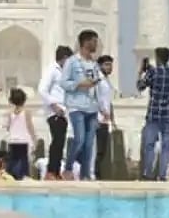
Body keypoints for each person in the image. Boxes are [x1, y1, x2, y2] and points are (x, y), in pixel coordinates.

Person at [60, 30, 102, 180]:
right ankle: (68, 168)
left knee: (89, 144)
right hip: (76, 106)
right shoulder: (72, 62)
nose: (96, 44)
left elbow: (97, 86)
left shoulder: (94, 63)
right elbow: (63, 83)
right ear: (86, 42)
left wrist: (101, 109)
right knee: (80, 139)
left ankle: (85, 175)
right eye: (94, 41)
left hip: (91, 107)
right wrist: (79, 84)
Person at [137, 46, 169, 181]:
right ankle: (162, 174)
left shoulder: (153, 72)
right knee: (166, 146)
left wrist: (141, 72)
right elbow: (161, 79)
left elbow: (140, 86)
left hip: (154, 114)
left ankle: (148, 173)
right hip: (167, 115)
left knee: (150, 145)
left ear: (158, 57)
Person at [36, 46, 73, 180]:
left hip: (63, 112)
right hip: (54, 112)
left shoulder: (65, 73)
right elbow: (42, 89)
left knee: (60, 142)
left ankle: (56, 172)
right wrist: (53, 104)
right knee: (57, 141)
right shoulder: (52, 70)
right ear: (63, 58)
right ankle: (51, 172)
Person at [3, 88, 36, 180]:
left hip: (13, 140)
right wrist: (34, 139)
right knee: (24, 161)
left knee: (13, 160)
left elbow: (8, 127)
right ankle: (23, 176)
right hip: (24, 140)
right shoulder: (27, 112)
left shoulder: (10, 113)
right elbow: (30, 127)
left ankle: (11, 176)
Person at [93, 54, 116, 180]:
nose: (109, 67)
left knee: (102, 150)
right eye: (106, 64)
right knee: (98, 149)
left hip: (105, 120)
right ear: (100, 66)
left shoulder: (106, 81)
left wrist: (112, 117)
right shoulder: (98, 79)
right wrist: (102, 111)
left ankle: (97, 173)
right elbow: (94, 97)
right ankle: (95, 174)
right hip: (98, 119)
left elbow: (108, 101)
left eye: (110, 64)